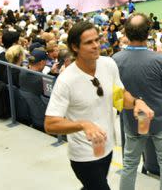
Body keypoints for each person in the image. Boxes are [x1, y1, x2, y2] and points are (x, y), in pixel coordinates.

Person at [44, 21, 154, 190]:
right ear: (75, 47)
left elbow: (118, 97)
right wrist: (83, 124)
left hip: (106, 148)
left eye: (97, 40)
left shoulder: (108, 64)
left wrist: (136, 102)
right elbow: (50, 124)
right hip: (83, 155)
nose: (96, 46)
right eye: (89, 42)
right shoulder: (66, 80)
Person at [113, 13, 162, 190]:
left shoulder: (116, 60)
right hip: (160, 121)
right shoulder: (159, 59)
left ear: (126, 32)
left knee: (130, 164)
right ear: (147, 33)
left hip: (133, 122)